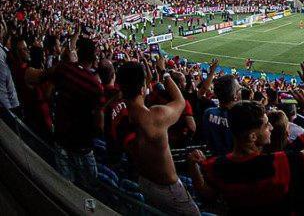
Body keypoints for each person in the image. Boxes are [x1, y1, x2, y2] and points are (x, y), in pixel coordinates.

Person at [188, 90, 304, 213]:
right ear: (252, 136)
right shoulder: (278, 163)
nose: (271, 127)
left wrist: (193, 167)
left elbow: (208, 193)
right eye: (266, 125)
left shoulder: (216, 165)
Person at [117, 60, 200, 215]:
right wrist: (165, 73)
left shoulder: (120, 117)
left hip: (143, 181)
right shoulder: (154, 117)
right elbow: (180, 102)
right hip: (166, 187)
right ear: (142, 88)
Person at [51, 36, 104, 188]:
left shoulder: (63, 68)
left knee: (66, 184)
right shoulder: (95, 85)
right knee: (89, 185)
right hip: (82, 143)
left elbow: (42, 83)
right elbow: (99, 126)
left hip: (61, 137)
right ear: (93, 56)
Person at [202, 74, 241, 155]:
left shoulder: (208, 113)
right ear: (235, 96)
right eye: (239, 89)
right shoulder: (239, 117)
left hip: (212, 160)